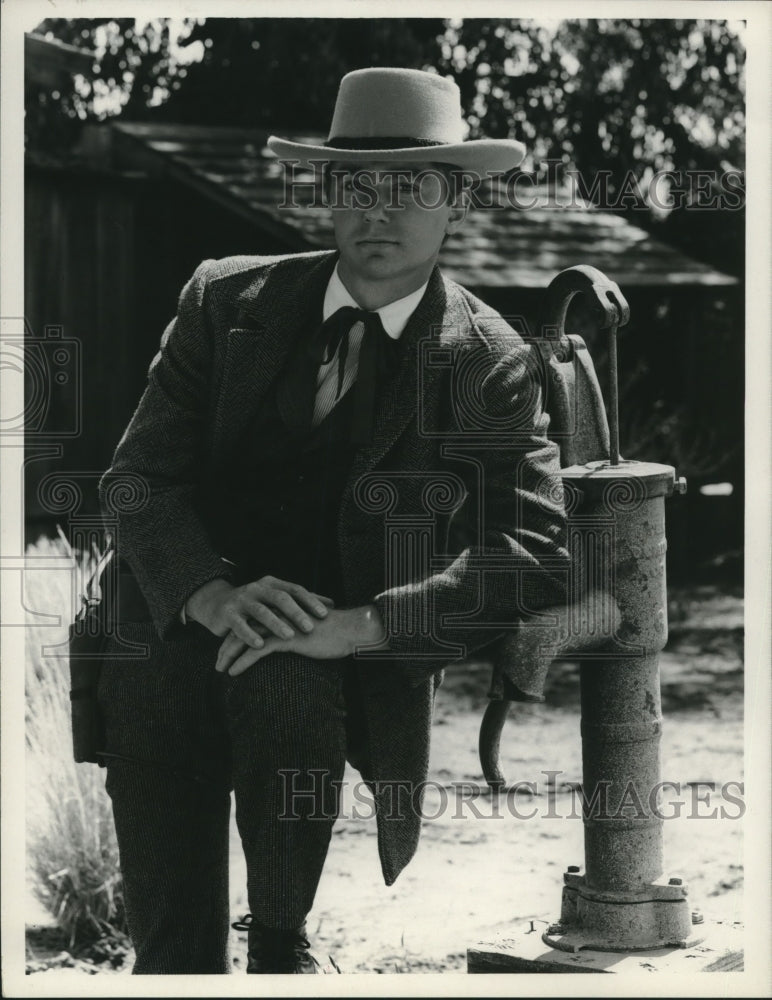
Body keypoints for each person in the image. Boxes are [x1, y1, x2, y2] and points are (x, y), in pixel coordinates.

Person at [96, 66, 570, 975]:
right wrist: (209, 592)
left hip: (344, 656)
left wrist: (360, 627)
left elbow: (534, 552)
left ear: (457, 199)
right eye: (355, 187)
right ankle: (171, 966)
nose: (377, 214)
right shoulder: (226, 302)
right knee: (149, 681)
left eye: (410, 189)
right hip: (183, 625)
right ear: (325, 193)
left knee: (285, 688)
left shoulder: (490, 362)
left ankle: (281, 946)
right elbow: (136, 480)